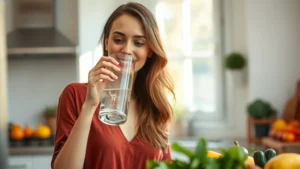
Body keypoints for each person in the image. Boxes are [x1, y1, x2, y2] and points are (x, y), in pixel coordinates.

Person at [51, 2, 175, 169]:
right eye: (118, 40)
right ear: (107, 43)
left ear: (150, 50)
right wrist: (89, 106)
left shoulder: (155, 104)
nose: (126, 50)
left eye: (138, 43)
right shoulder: (75, 94)